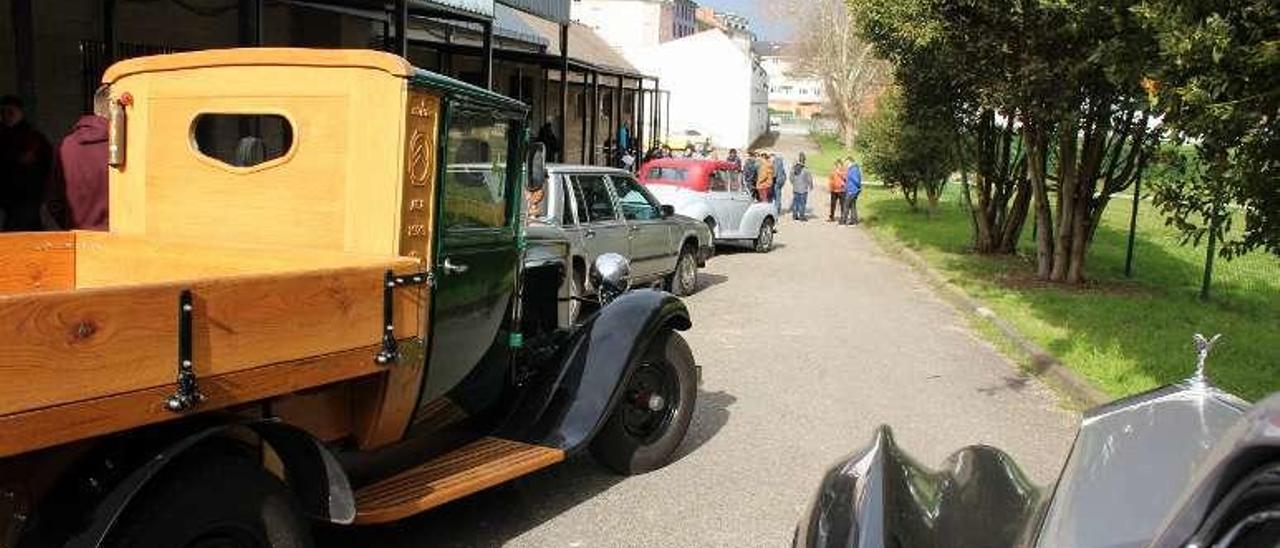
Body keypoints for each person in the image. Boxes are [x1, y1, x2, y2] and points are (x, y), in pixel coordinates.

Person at [50, 87, 111, 230]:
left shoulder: (65, 145)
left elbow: (54, 202)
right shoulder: (127, 145)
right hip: (118, 242)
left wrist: (71, 225)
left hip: (77, 239)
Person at [0, 95, 53, 232]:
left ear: (20, 112)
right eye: (3, 113)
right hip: (11, 201)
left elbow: (47, 166)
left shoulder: (33, 138)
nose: (6, 116)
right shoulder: (5, 137)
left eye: (10, 112)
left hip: (29, 200)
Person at [790, 152, 813, 221]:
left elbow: (791, 178)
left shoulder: (794, 169)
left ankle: (794, 215)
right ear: (804, 160)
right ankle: (802, 216)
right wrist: (811, 185)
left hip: (795, 188)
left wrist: (794, 183)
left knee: (795, 202)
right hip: (803, 189)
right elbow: (809, 179)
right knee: (802, 203)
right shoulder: (805, 169)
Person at [842, 160, 863, 225]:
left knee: (846, 205)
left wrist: (858, 187)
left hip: (852, 190)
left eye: (846, 163)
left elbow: (856, 180)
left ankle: (843, 221)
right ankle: (854, 221)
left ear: (850, 163)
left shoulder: (853, 170)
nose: (846, 165)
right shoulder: (854, 169)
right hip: (853, 190)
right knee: (852, 206)